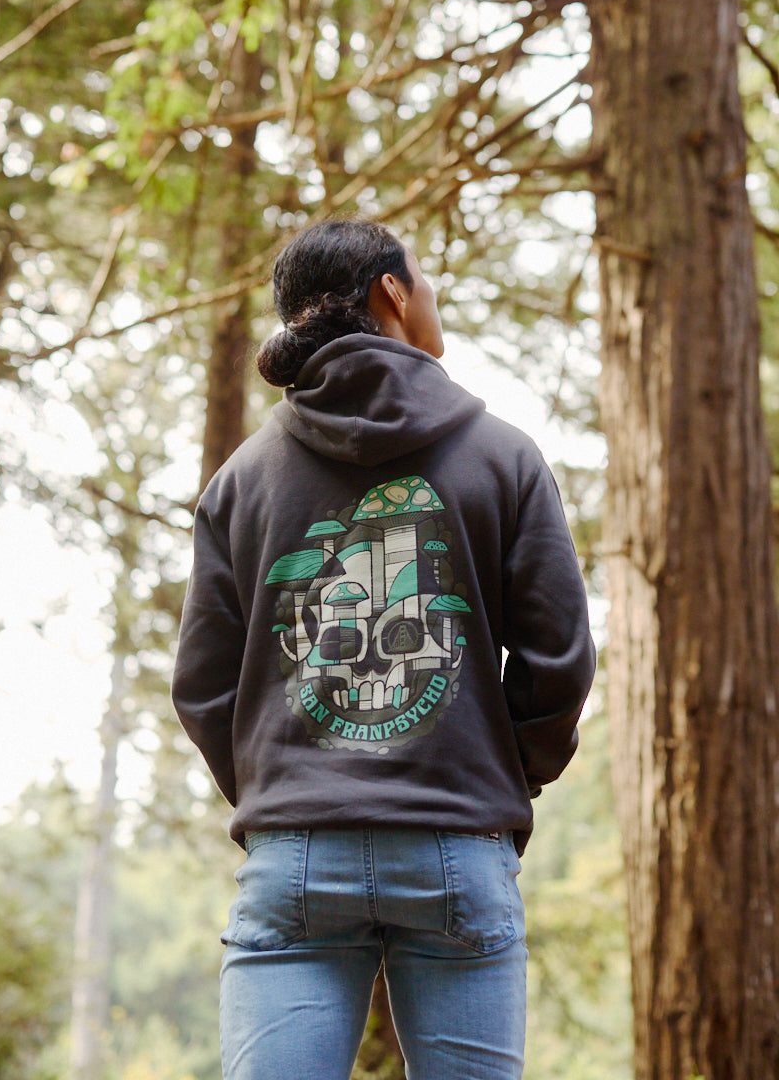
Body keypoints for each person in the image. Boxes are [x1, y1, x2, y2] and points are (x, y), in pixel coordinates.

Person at [171, 218, 596, 1080]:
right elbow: (558, 659)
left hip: (296, 848)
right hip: (456, 838)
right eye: (424, 279)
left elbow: (204, 686)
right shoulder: (506, 458)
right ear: (391, 294)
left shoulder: (242, 481)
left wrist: (283, 790)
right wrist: (499, 780)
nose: (432, 295)